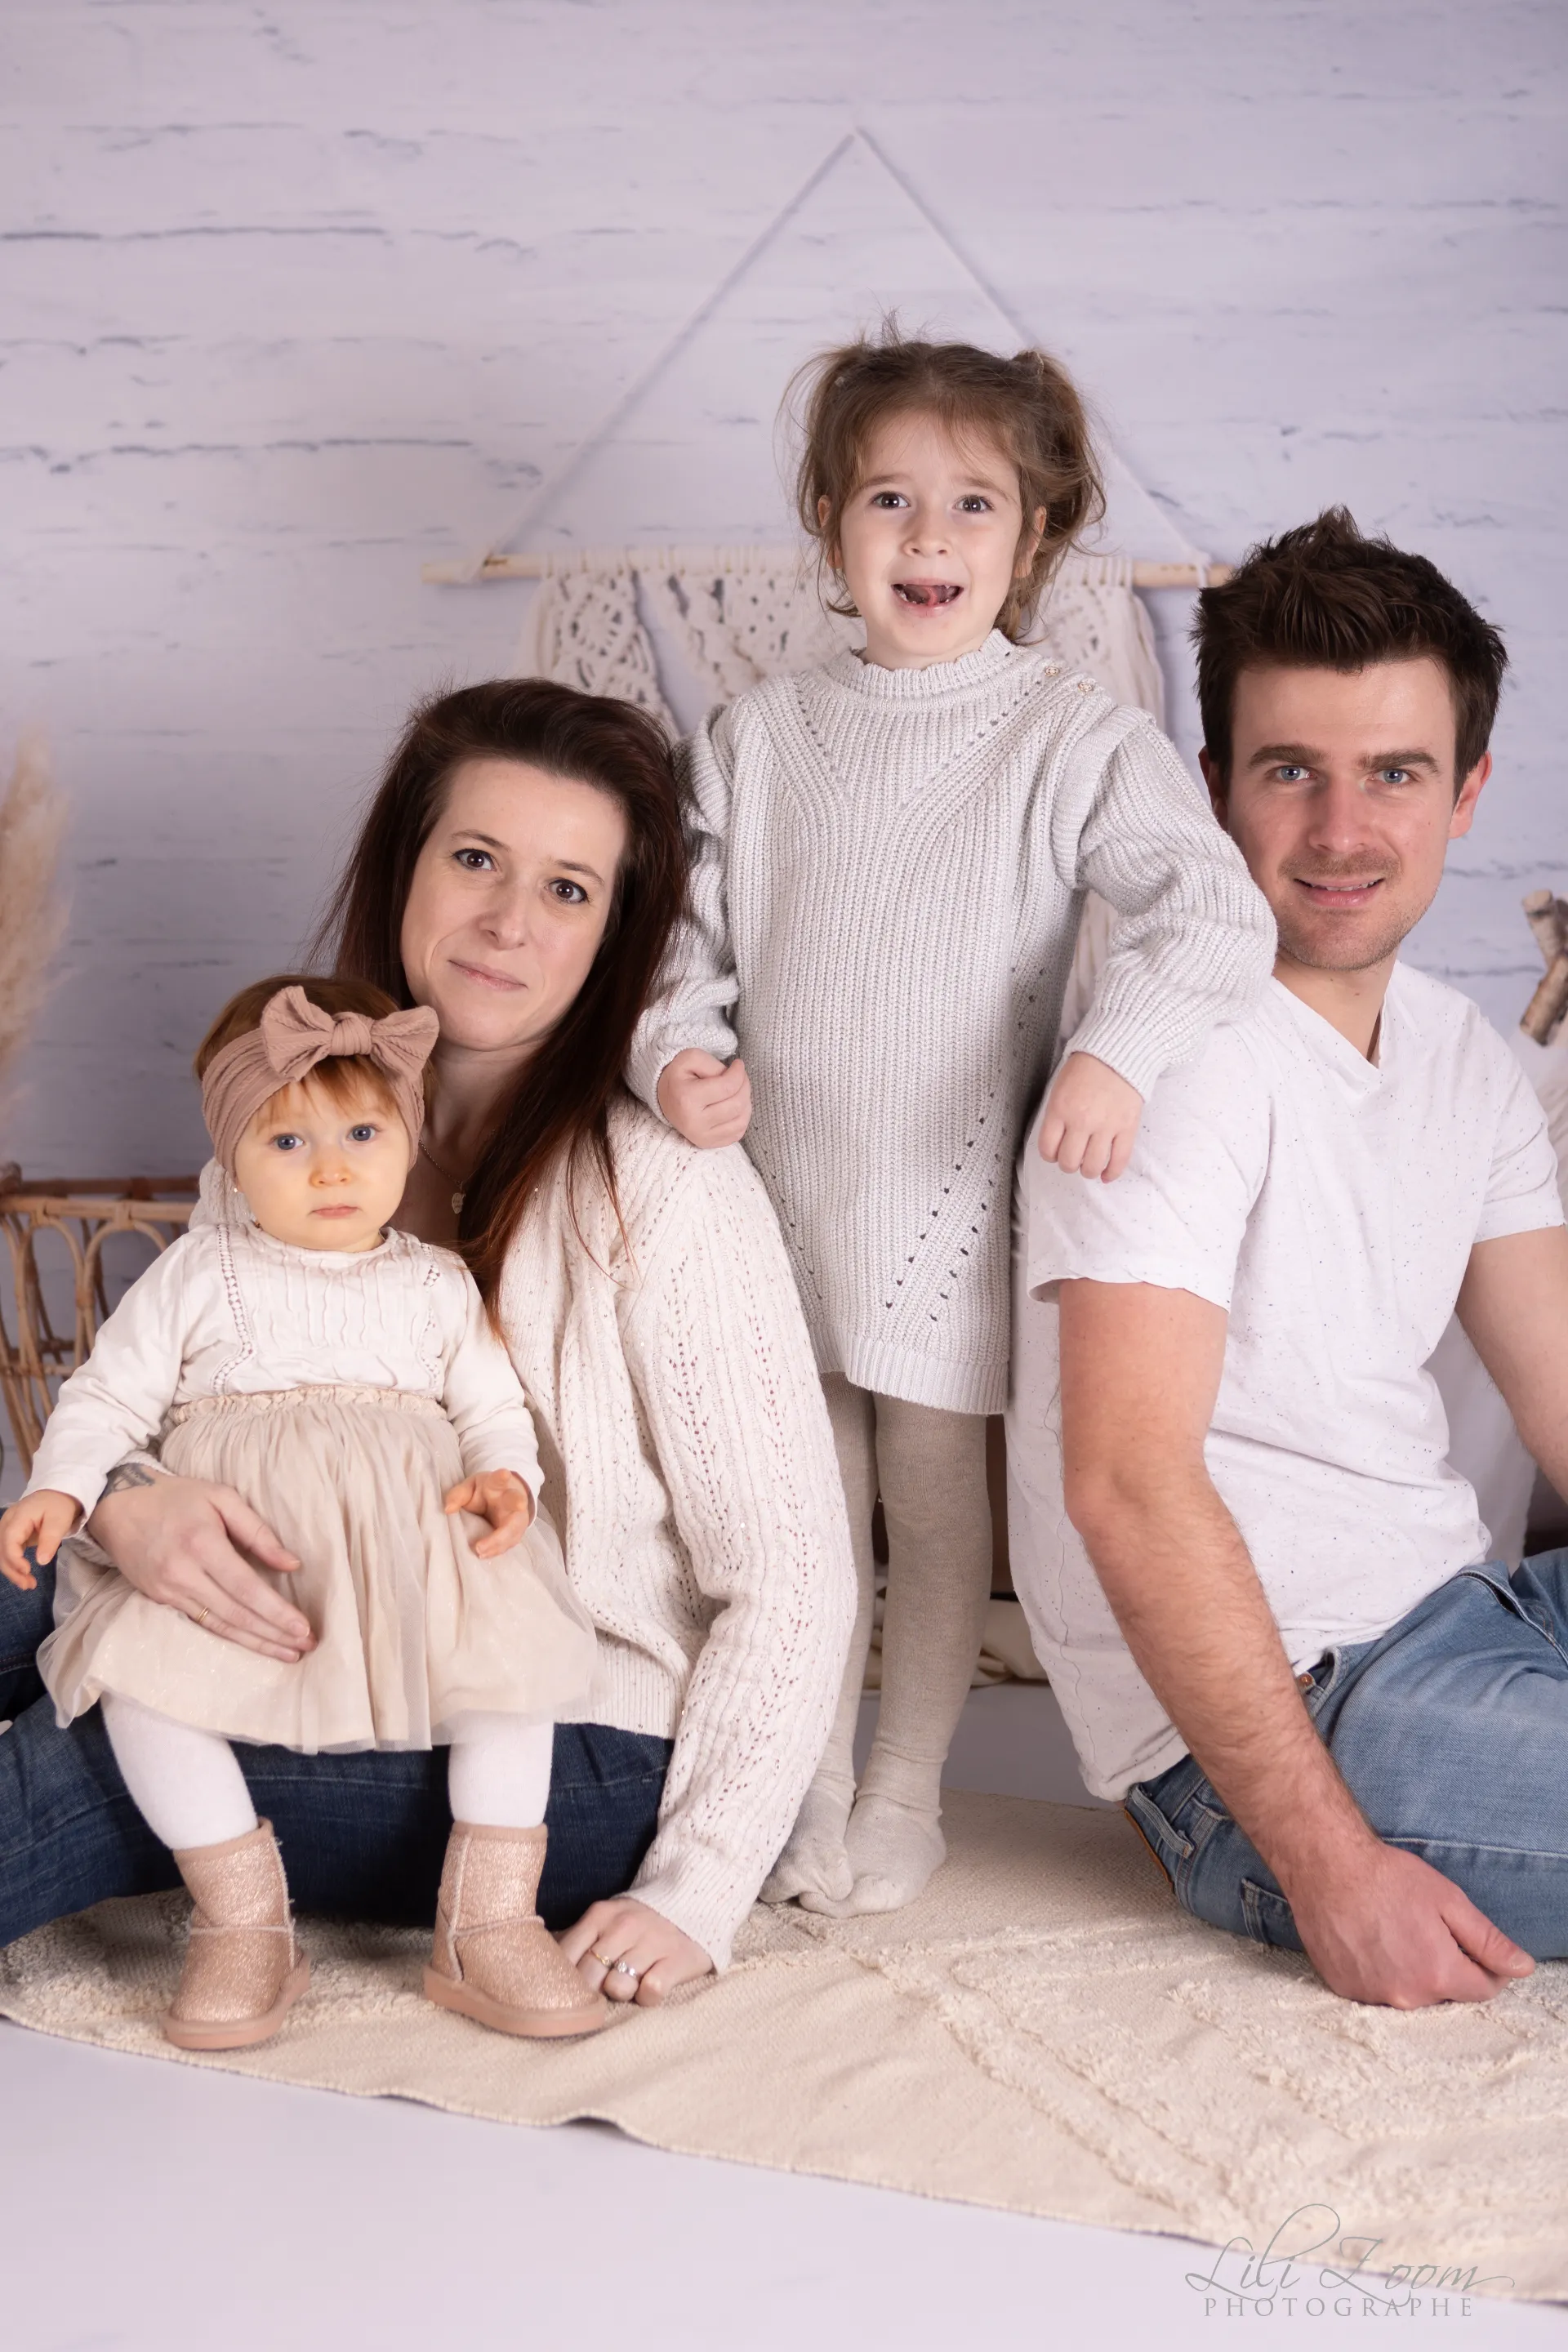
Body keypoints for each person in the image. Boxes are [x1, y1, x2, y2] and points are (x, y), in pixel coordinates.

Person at [0, 679, 856, 2012]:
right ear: (403, 864)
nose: (510, 923)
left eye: (570, 890)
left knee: (104, 1750)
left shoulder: (667, 1192)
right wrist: (126, 1512)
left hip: (565, 1731)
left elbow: (794, 1581)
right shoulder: (295, 1130)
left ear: (614, 935)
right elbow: (171, 1394)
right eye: (475, 860)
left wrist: (699, 1882)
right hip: (325, 1612)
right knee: (17, 1591)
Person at [631, 329, 1275, 1917]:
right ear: (833, 525)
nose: (930, 539)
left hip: (943, 1207)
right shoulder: (758, 737)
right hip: (767, 1207)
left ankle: (904, 1786)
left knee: (930, 1532)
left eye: (974, 504)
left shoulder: (1071, 740)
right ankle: (797, 1783)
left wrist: (1118, 1054)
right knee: (787, 1538)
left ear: (1036, 537)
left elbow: (1211, 913)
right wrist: (670, 1061)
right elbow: (668, 945)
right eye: (891, 500)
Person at [1008, 507, 1568, 2009]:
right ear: (1210, 789)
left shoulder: (1466, 1060)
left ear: (1467, 794)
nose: (1340, 832)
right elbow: (1123, 1485)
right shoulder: (1165, 1047)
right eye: (1289, 772)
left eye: (1394, 773)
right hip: (1297, 1720)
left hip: (1483, 1615)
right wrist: (1328, 1869)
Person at [1, 974, 605, 2048]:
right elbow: (107, 1393)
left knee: (513, 1691)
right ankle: (242, 1919)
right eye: (287, 1145)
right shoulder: (200, 1271)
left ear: (407, 1138)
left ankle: (490, 1919)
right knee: (143, 1692)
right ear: (231, 1160)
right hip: (247, 1555)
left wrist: (506, 1475)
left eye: (363, 1132)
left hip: (420, 1547)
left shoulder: (433, 1283)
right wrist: (65, 1482)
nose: (332, 1168)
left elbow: (491, 1405)